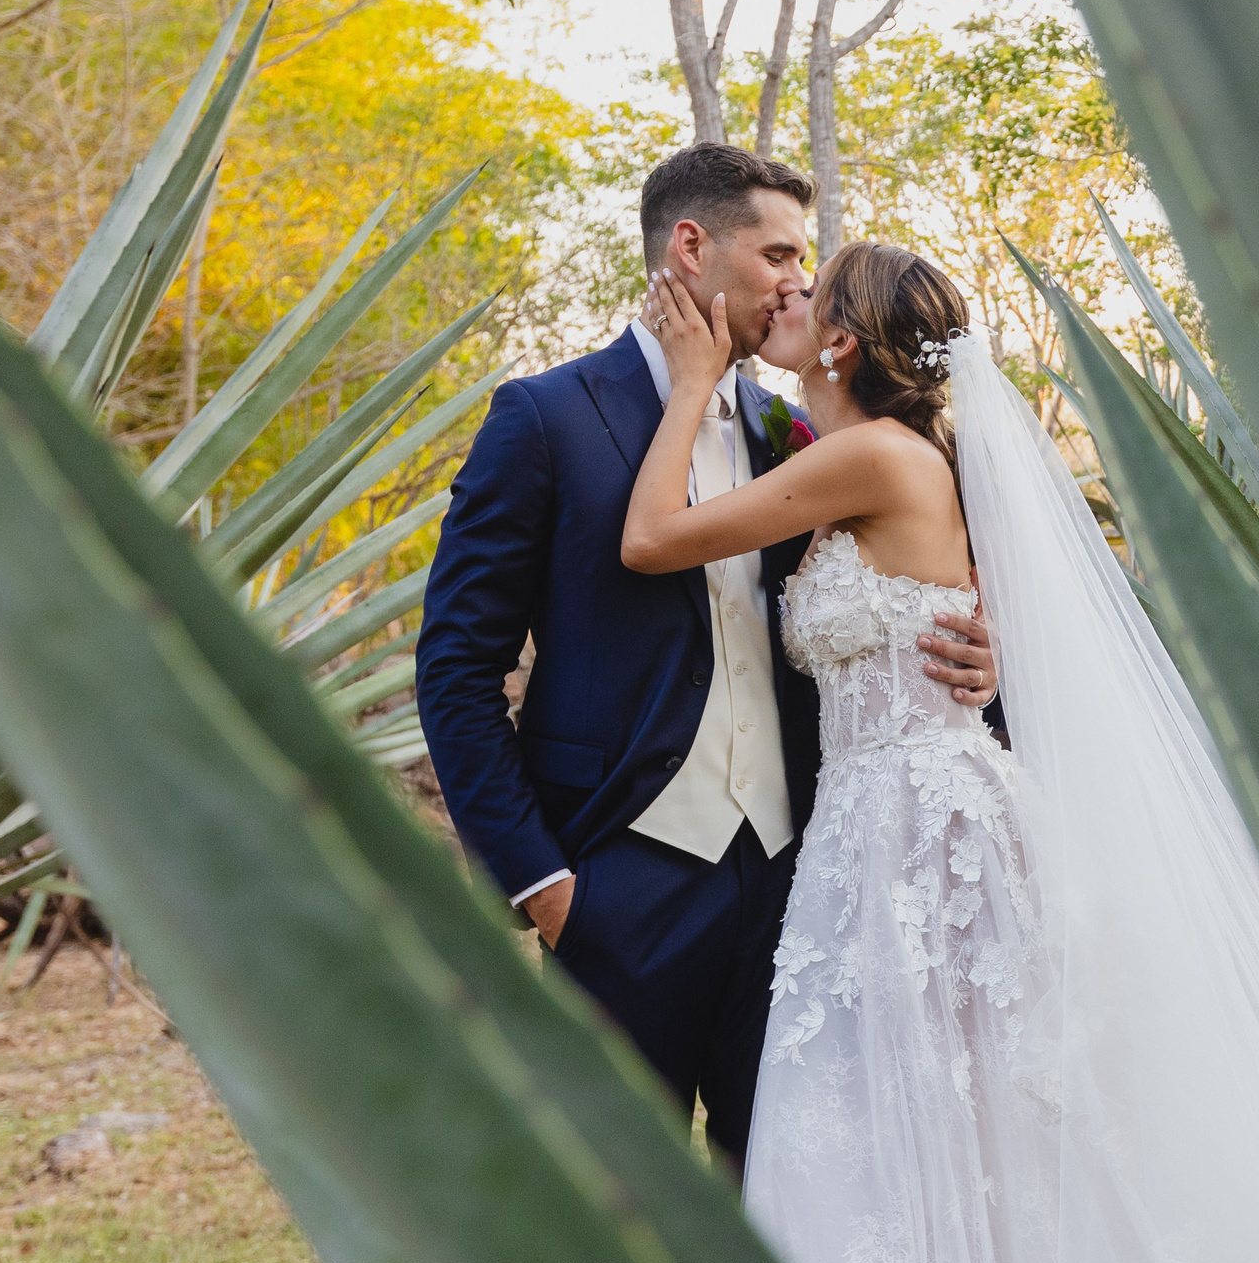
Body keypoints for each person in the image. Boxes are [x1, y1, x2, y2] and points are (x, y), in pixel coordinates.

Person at [624, 241, 1259, 1263]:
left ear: (838, 340)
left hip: (919, 830)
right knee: (973, 1120)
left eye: (806, 288)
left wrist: (688, 386)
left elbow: (651, 541)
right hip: (887, 821)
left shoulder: (872, 456)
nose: (785, 295)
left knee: (972, 1115)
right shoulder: (900, 452)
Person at [415, 145, 999, 1169]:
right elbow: (458, 669)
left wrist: (978, 653)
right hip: (613, 886)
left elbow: (923, 576)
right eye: (777, 253)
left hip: (802, 882)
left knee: (793, 1195)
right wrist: (541, 881)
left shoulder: (794, 432)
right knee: (614, 1216)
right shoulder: (547, 418)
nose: (792, 282)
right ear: (691, 247)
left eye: (803, 263)